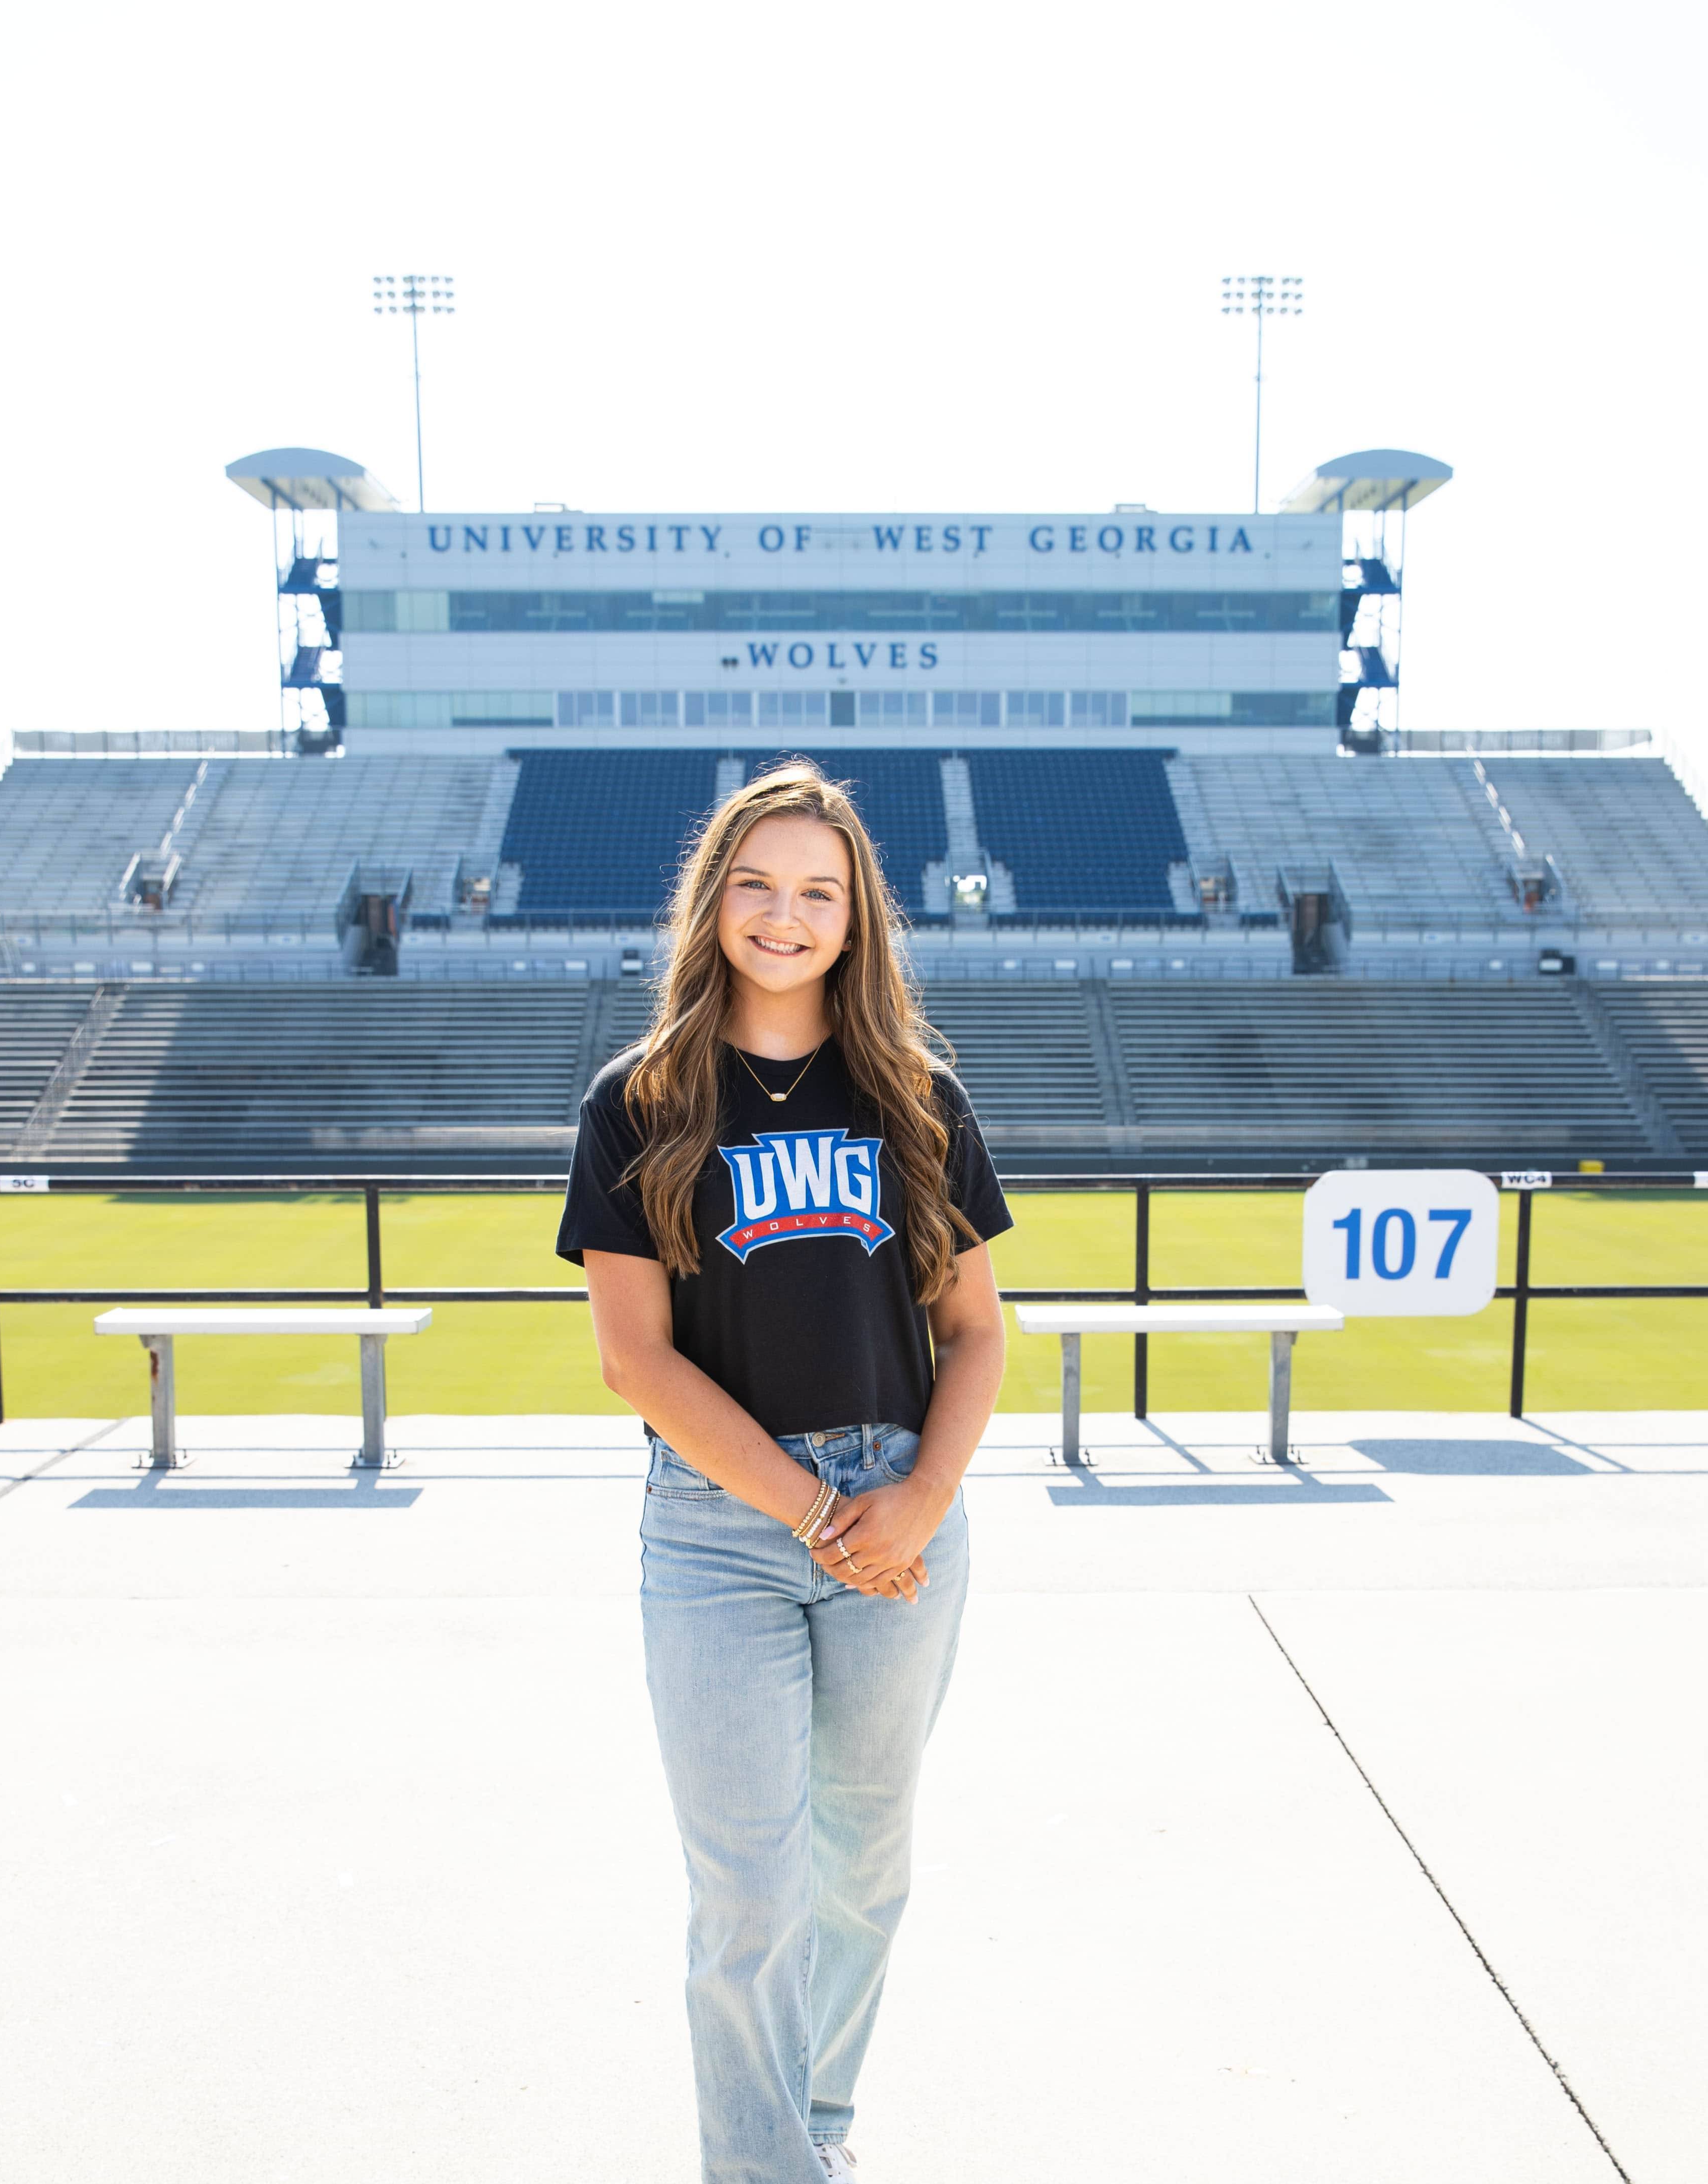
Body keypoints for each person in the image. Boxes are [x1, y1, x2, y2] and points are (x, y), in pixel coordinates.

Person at [558, 760, 1011, 2182]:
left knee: (863, 1869)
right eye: (755, 883)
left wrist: (919, 1501)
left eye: (818, 889)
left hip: (897, 1514)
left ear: (856, 915)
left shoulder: (916, 1098)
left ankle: (816, 2131)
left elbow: (978, 1332)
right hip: (719, 1535)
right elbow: (635, 1358)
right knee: (749, 1894)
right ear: (713, 903)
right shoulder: (639, 1103)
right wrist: (814, 1513)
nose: (784, 913)